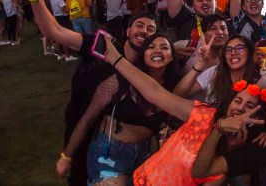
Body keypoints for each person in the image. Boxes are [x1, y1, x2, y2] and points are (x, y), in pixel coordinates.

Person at [21, 0, 157, 186]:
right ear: (128, 30)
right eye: (140, 25)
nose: (144, 31)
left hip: (115, 143)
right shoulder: (102, 44)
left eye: (151, 29)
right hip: (80, 123)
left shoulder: (149, 68)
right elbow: (54, 31)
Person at [100, 33, 266, 185]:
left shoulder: (229, 161)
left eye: (249, 106)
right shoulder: (205, 114)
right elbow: (156, 93)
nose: (240, 108)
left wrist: (238, 143)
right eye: (238, 101)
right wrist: (116, 59)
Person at [56, 33, 181, 184]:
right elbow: (87, 119)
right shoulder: (119, 81)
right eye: (151, 47)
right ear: (143, 54)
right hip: (110, 154)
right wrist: (66, 156)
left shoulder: (170, 88)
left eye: (164, 47)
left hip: (144, 156)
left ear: (171, 56)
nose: (158, 51)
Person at [174, 34, 255, 104]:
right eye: (228, 50)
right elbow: (177, 95)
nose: (233, 52)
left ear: (249, 53)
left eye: (239, 48)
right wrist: (201, 63)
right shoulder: (214, 72)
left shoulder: (258, 79)